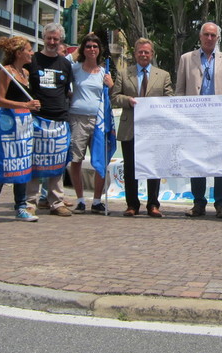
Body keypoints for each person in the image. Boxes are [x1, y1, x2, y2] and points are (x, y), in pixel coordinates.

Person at [176, 22, 222, 218]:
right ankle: (198, 203)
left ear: (218, 38)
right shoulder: (186, 59)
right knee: (196, 162)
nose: (210, 38)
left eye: (213, 35)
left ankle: (221, 203)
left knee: (221, 162)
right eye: (206, 35)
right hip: (194, 120)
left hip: (220, 120)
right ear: (200, 37)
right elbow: (179, 90)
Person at [0, 36, 41, 225]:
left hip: (24, 124)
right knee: (2, 164)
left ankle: (21, 207)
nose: (32, 53)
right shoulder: (6, 71)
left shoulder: (26, 73)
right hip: (8, 123)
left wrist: (32, 106)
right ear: (18, 52)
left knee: (22, 164)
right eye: (29, 50)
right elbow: (0, 100)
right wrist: (25, 103)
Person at [111, 38, 173, 217]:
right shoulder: (124, 74)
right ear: (135, 54)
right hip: (130, 127)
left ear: (152, 54)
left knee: (154, 168)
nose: (143, 55)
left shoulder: (163, 75)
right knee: (130, 168)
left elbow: (170, 98)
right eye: (140, 52)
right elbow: (115, 97)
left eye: (147, 52)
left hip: (154, 129)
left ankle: (153, 205)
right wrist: (128, 101)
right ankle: (132, 205)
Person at [25, 22, 74, 216]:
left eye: (56, 39)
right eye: (49, 38)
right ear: (43, 38)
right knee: (34, 162)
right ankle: (30, 202)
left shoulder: (65, 64)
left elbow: (67, 91)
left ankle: (56, 202)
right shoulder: (33, 60)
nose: (52, 42)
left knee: (58, 162)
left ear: (60, 40)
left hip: (59, 118)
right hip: (36, 118)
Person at [67, 33, 114, 214]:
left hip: (99, 121)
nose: (92, 50)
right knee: (76, 160)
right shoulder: (74, 69)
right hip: (77, 119)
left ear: (99, 50)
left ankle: (96, 201)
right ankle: (80, 200)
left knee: (100, 160)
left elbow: (111, 97)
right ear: (83, 49)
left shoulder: (104, 72)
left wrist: (111, 86)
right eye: (88, 46)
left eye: (95, 46)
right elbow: (63, 82)